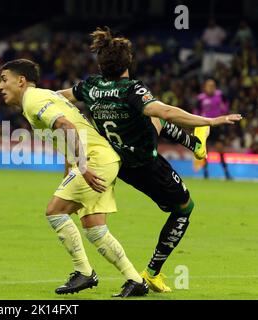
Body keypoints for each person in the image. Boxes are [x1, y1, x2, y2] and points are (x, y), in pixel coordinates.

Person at [59, 27, 242, 292]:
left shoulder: (90, 86)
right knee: (185, 209)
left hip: (116, 162)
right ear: (128, 63)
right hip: (146, 165)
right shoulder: (132, 89)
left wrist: (31, 96)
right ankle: (152, 272)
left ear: (101, 64)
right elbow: (166, 111)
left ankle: (195, 144)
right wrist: (211, 120)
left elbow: (59, 97)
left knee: (149, 118)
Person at [0, 59, 149, 298]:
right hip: (103, 159)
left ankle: (84, 272)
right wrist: (72, 170)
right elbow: (69, 130)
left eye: (4, 79)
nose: (0, 86)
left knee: (55, 211)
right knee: (95, 229)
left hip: (94, 160)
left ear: (21, 80)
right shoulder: (45, 95)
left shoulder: (33, 100)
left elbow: (67, 126)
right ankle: (135, 280)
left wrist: (81, 166)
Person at [197, 79, 232, 180]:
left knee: (220, 149)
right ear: (205, 87)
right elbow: (196, 111)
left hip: (217, 126)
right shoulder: (200, 98)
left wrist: (224, 110)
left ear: (215, 87)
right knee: (204, 151)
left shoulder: (220, 95)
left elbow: (226, 105)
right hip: (205, 126)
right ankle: (205, 173)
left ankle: (226, 172)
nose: (211, 88)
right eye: (209, 86)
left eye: (213, 86)